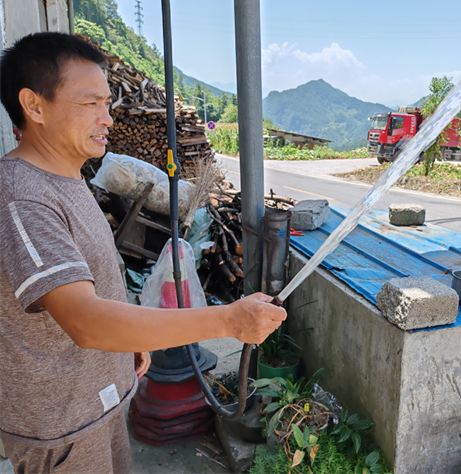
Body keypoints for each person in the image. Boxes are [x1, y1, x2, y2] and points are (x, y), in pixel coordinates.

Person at [0, 32, 287, 474]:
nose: (108, 118)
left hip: (98, 403)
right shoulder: (23, 198)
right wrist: (228, 319)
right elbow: (86, 320)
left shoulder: (67, 178)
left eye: (108, 104)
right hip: (63, 428)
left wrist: (127, 342)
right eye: (89, 103)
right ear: (34, 105)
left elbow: (95, 294)